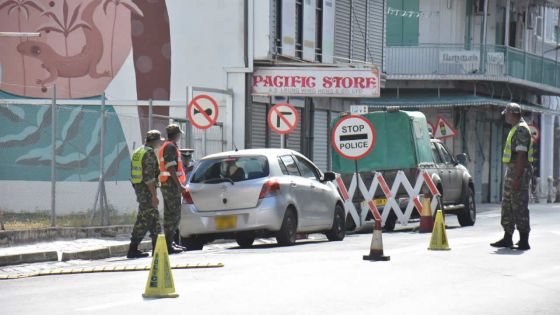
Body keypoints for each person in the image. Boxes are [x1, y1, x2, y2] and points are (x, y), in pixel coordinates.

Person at [491, 103, 534, 251]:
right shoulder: (516, 127)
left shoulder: (521, 129)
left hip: (518, 171)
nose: (506, 116)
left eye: (507, 113)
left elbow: (521, 155)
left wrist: (517, 178)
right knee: (507, 204)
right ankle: (507, 237)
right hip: (513, 170)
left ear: (513, 113)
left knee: (519, 205)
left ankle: (523, 240)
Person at [127, 130, 164, 259]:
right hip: (146, 191)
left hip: (140, 188)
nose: (160, 143)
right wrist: (154, 195)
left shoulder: (138, 151)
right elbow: (149, 178)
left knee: (154, 219)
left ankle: (157, 249)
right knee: (145, 219)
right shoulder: (148, 154)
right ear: (154, 141)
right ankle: (133, 249)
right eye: (159, 140)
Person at [159, 124, 187, 254]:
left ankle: (171, 242)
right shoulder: (170, 147)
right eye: (179, 134)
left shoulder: (169, 146)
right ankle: (169, 244)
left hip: (169, 184)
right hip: (171, 185)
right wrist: (179, 185)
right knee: (173, 215)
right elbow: (171, 167)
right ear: (176, 135)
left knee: (171, 214)